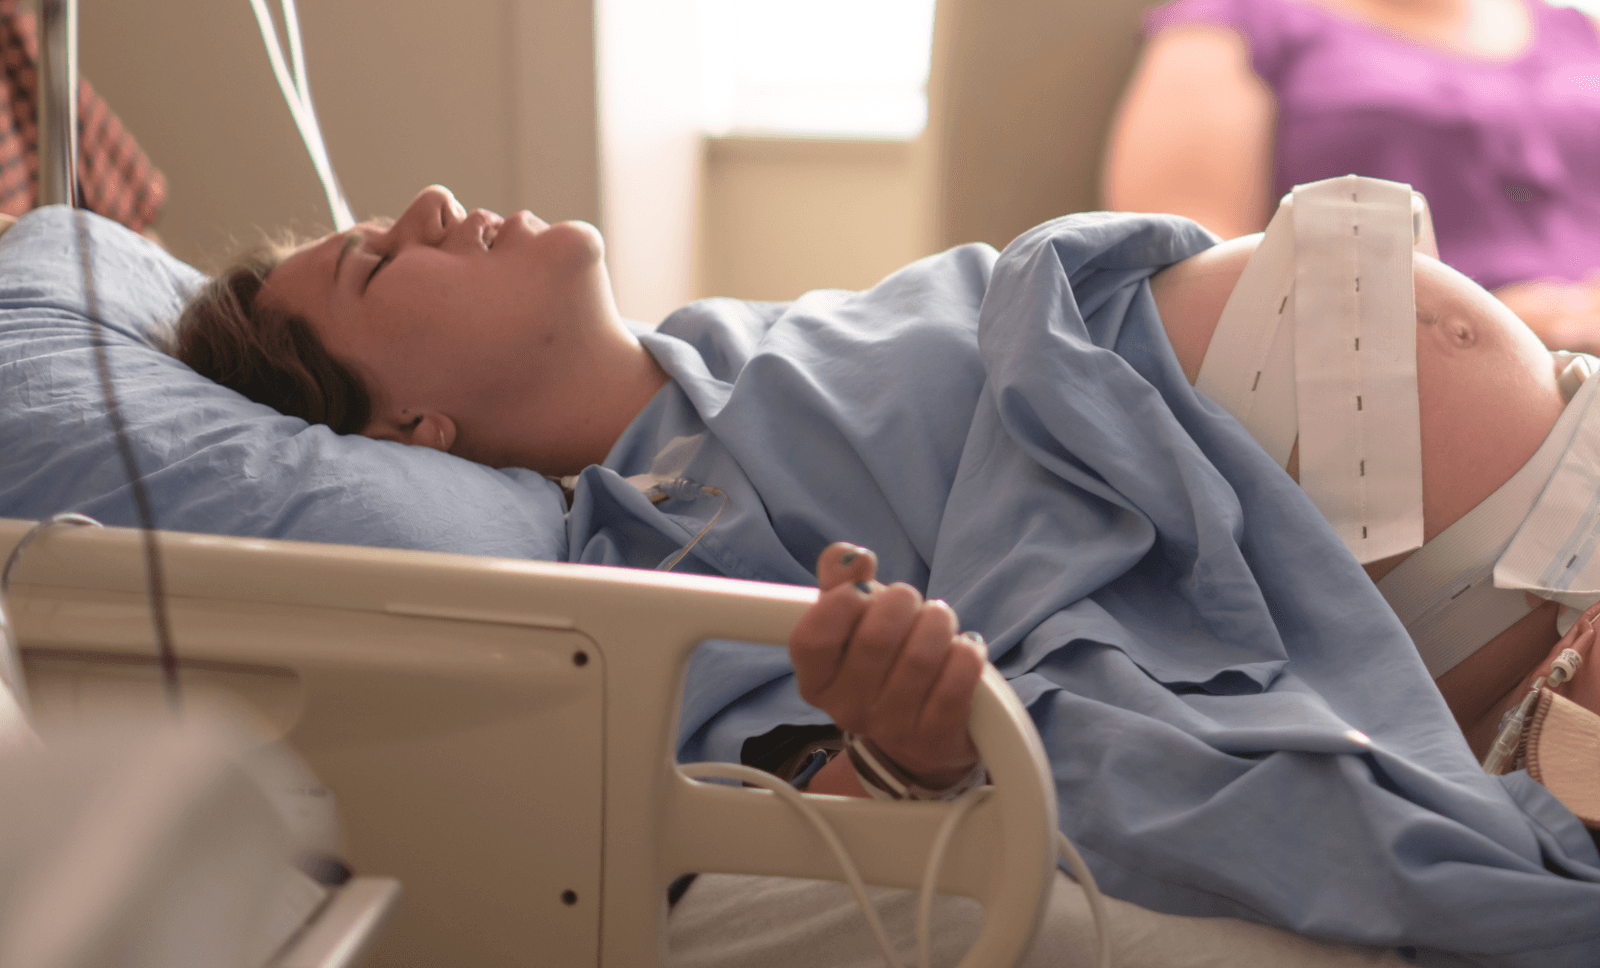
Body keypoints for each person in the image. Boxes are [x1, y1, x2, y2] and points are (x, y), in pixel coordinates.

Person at [171, 185, 1600, 964]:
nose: (429, 202)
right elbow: (800, 793)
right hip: (1480, 575)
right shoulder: (643, 556)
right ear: (412, 427)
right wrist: (902, 754)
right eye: (378, 263)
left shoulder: (733, 340)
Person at [1102, 0, 1600, 354]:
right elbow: (1186, 270)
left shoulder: (1580, 31)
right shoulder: (1236, 22)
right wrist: (1457, 324)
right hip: (1410, 383)